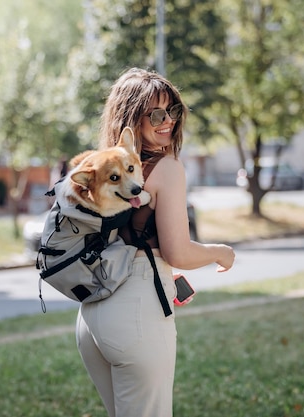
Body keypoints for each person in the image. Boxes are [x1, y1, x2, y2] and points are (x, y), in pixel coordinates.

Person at [75, 67, 236, 417]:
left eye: (173, 111)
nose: (169, 122)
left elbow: (127, 243)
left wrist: (168, 276)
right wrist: (220, 252)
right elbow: (179, 250)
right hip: (136, 319)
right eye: (157, 114)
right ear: (133, 117)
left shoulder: (104, 168)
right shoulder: (167, 168)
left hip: (91, 319)